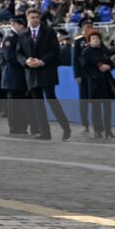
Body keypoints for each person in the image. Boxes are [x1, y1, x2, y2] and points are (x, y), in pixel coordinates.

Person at [15, 9, 71, 141]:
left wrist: (42, 61)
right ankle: (45, 132)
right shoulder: (23, 34)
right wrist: (26, 61)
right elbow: (19, 53)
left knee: (52, 100)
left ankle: (65, 127)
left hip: (46, 71)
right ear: (27, 18)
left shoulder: (49, 32)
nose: (35, 19)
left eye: (36, 17)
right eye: (32, 17)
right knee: (37, 104)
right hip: (32, 72)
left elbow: (54, 50)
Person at [81, 30, 115, 139]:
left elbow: (111, 63)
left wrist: (108, 67)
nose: (96, 40)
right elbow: (84, 66)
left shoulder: (104, 50)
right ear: (89, 41)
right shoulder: (86, 52)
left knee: (108, 108)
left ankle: (108, 130)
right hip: (95, 82)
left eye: (97, 38)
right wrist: (94, 75)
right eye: (93, 39)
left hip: (106, 81)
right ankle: (97, 130)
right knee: (96, 108)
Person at [0, 14, 32, 135]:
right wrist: (25, 63)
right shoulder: (10, 38)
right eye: (21, 25)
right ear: (15, 24)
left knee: (21, 102)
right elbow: (10, 57)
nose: (22, 27)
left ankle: (22, 125)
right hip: (12, 75)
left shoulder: (20, 37)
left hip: (19, 75)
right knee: (14, 103)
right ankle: (15, 126)